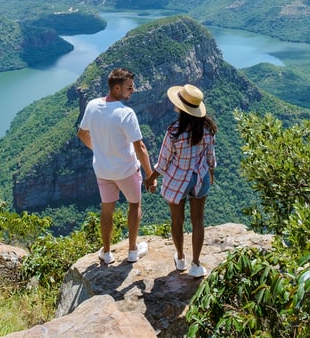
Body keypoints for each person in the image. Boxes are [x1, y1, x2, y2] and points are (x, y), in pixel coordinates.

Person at [78, 67, 157, 264]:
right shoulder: (126, 113)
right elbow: (140, 146)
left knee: (107, 209)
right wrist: (150, 175)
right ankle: (132, 251)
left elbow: (82, 133)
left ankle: (106, 252)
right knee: (134, 205)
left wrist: (98, 150)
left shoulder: (92, 105)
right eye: (129, 88)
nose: (133, 90)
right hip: (126, 170)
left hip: (102, 170)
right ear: (116, 88)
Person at [151, 84, 217, 278]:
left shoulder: (174, 132)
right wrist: (210, 174)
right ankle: (196, 264)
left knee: (177, 221)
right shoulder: (208, 129)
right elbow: (210, 157)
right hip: (200, 178)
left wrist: (150, 178)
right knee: (198, 221)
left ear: (181, 108)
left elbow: (163, 162)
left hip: (178, 180)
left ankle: (180, 258)